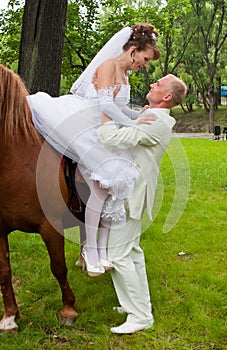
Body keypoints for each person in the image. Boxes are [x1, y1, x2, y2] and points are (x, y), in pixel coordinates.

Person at [27, 23, 160, 277]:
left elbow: (118, 108)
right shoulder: (108, 67)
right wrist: (132, 122)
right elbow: (106, 105)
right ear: (133, 50)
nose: (144, 65)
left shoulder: (125, 73)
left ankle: (102, 250)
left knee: (115, 192)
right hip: (87, 128)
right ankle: (90, 250)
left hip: (106, 131)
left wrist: (137, 114)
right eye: (144, 59)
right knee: (100, 191)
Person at [96, 74, 188, 334]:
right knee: (132, 252)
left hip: (131, 195)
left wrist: (105, 112)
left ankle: (141, 316)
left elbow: (112, 138)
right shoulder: (153, 116)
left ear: (167, 97)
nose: (151, 85)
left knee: (118, 254)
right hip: (129, 190)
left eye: (158, 84)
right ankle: (134, 305)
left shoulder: (156, 122)